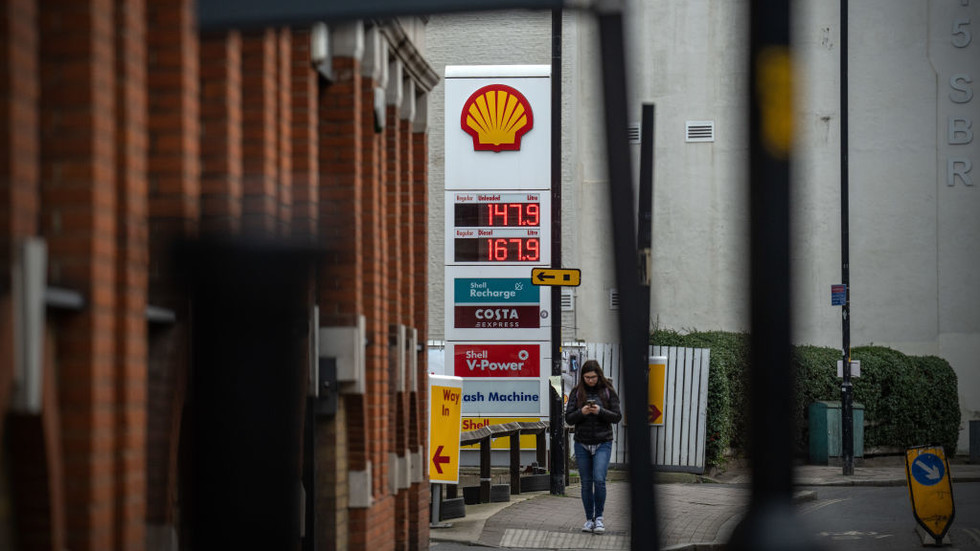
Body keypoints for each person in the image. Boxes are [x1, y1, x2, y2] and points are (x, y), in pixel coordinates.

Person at [564, 359, 622, 534]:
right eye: (587, 377)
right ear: (582, 377)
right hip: (582, 442)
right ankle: (589, 519)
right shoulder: (576, 392)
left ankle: (599, 518)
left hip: (603, 441)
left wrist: (599, 411)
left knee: (599, 479)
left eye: (593, 377)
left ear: (599, 375)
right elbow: (569, 418)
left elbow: (617, 416)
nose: (590, 380)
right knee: (586, 483)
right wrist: (582, 412)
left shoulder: (608, 391)